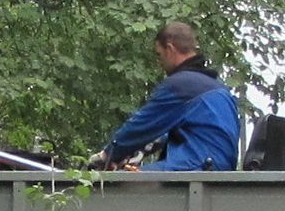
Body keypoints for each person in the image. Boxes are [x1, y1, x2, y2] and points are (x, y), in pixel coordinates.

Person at [95, 20, 241, 171]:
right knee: (134, 173)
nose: (160, 63)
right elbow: (190, 133)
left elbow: (141, 126)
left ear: (170, 49)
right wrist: (142, 149)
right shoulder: (218, 87)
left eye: (159, 55)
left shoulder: (181, 85)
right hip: (215, 166)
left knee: (123, 181)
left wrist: (107, 155)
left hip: (197, 166)